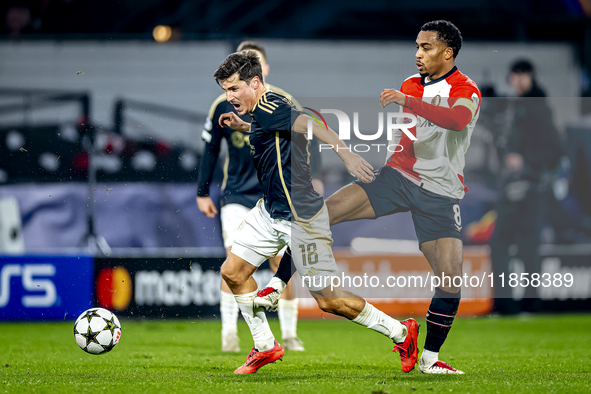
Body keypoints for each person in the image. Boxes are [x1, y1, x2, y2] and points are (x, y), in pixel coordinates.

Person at [257, 20, 480, 375]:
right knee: (319, 214)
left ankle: (429, 360)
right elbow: (413, 136)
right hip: (396, 178)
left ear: (448, 52)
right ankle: (276, 284)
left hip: (440, 193)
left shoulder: (466, 90)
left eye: (426, 47)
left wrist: (407, 100)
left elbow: (454, 121)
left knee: (450, 278)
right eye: (417, 47)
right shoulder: (410, 84)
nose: (418, 54)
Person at [214, 51, 419, 375]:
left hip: (301, 218)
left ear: (255, 83)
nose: (229, 97)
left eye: (235, 88)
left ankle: (401, 332)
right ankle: (265, 346)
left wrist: (347, 155)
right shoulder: (263, 113)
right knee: (233, 272)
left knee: (330, 301)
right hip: (270, 213)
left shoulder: (273, 106)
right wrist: (244, 124)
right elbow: (275, 132)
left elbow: (309, 123)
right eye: (226, 90)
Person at [197, 41, 311, 352]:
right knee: (234, 260)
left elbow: (305, 138)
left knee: (280, 262)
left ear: (262, 71)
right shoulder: (223, 104)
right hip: (235, 193)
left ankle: (288, 334)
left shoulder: (283, 101)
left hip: (273, 194)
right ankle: (229, 335)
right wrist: (202, 191)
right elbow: (210, 148)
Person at [490, 59, 563, 313]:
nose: (519, 80)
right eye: (515, 76)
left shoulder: (537, 107)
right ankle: (507, 303)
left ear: (531, 77)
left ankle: (525, 303)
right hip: (513, 188)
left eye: (523, 75)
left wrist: (526, 161)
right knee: (504, 243)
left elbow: (556, 149)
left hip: (532, 188)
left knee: (525, 246)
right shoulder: (516, 107)